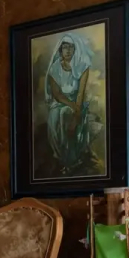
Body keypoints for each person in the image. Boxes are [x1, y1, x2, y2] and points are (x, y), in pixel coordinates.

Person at [44, 33, 94, 175]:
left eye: (70, 47)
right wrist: (71, 105)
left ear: (75, 49)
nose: (68, 50)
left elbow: (80, 93)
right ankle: (62, 158)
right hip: (61, 102)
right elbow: (57, 94)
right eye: (65, 47)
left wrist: (76, 112)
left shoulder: (83, 66)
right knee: (56, 114)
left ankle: (72, 160)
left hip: (78, 102)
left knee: (66, 114)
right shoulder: (55, 68)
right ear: (60, 50)